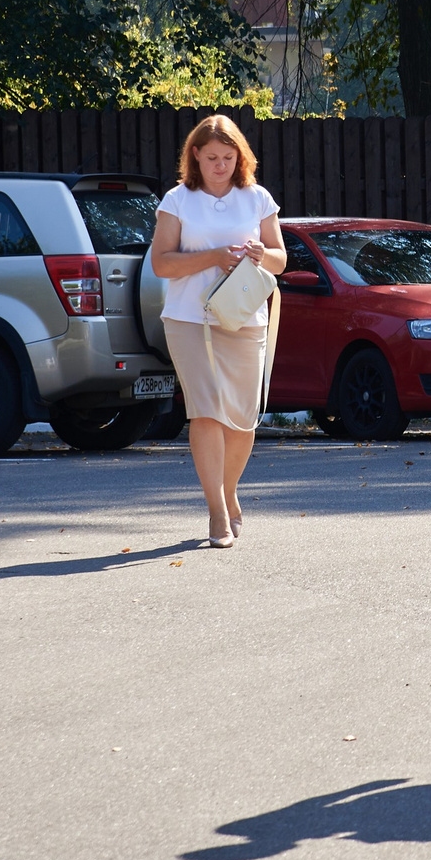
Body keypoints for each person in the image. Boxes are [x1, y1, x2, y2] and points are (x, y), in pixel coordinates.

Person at [150, 115, 287, 548]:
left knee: (244, 418)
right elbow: (161, 264)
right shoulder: (177, 200)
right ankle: (215, 514)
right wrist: (212, 257)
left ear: (240, 157)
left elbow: (281, 261)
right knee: (206, 410)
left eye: (228, 157)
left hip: (244, 317)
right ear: (195, 155)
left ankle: (228, 492)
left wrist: (262, 253)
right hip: (189, 319)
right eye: (211, 157)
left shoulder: (257, 198)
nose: (220, 165)